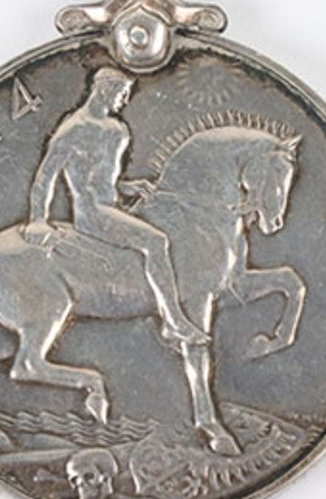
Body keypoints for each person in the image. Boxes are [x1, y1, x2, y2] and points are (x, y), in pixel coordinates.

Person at [23, 68, 209, 347]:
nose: (124, 101)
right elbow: (45, 176)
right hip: (92, 214)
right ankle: (173, 322)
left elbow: (104, 180)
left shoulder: (117, 130)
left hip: (114, 207)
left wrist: (128, 186)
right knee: (156, 241)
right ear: (104, 90)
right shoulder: (74, 130)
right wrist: (38, 219)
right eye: (121, 94)